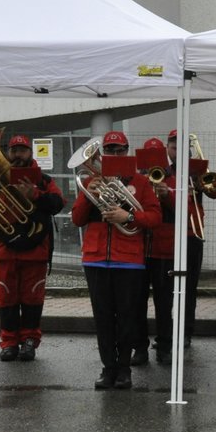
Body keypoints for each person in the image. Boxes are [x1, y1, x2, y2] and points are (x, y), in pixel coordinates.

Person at [70, 131, 161, 390]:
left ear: (127, 151)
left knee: (128, 316)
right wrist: (90, 193)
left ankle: (124, 370)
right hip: (96, 258)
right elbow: (77, 219)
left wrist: (128, 217)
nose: (115, 154)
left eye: (120, 150)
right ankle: (107, 368)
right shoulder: (91, 180)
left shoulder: (141, 183)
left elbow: (155, 218)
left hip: (129, 260)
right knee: (103, 318)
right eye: (109, 150)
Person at [0, 134, 63, 363]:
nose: (18, 154)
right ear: (8, 153)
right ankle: (9, 343)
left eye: (22, 150)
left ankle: (30, 341)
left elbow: (57, 204)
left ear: (30, 152)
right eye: (14, 150)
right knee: (7, 300)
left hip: (35, 250)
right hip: (4, 250)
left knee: (33, 299)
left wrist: (35, 195)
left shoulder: (43, 179)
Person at [165, 129, 210, 354]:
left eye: (182, 148)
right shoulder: (161, 172)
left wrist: (200, 186)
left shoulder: (196, 171)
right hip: (168, 235)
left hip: (192, 233)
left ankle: (186, 332)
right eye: (174, 147)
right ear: (168, 148)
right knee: (166, 289)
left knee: (189, 287)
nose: (177, 151)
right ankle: (167, 332)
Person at [139, 137, 177, 366]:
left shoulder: (173, 178)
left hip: (164, 249)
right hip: (140, 248)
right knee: (136, 303)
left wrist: (167, 194)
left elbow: (184, 209)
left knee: (165, 303)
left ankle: (164, 346)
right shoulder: (135, 179)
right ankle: (139, 347)